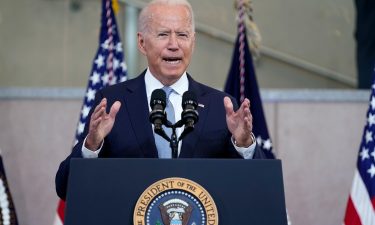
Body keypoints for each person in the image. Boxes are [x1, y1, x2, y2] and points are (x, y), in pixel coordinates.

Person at [55, 0, 265, 200]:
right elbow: (65, 188)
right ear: (142, 42)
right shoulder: (111, 102)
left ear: (193, 42)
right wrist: (92, 145)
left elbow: (258, 186)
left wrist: (244, 144)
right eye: (163, 34)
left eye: (182, 35)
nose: (173, 44)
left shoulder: (222, 106)